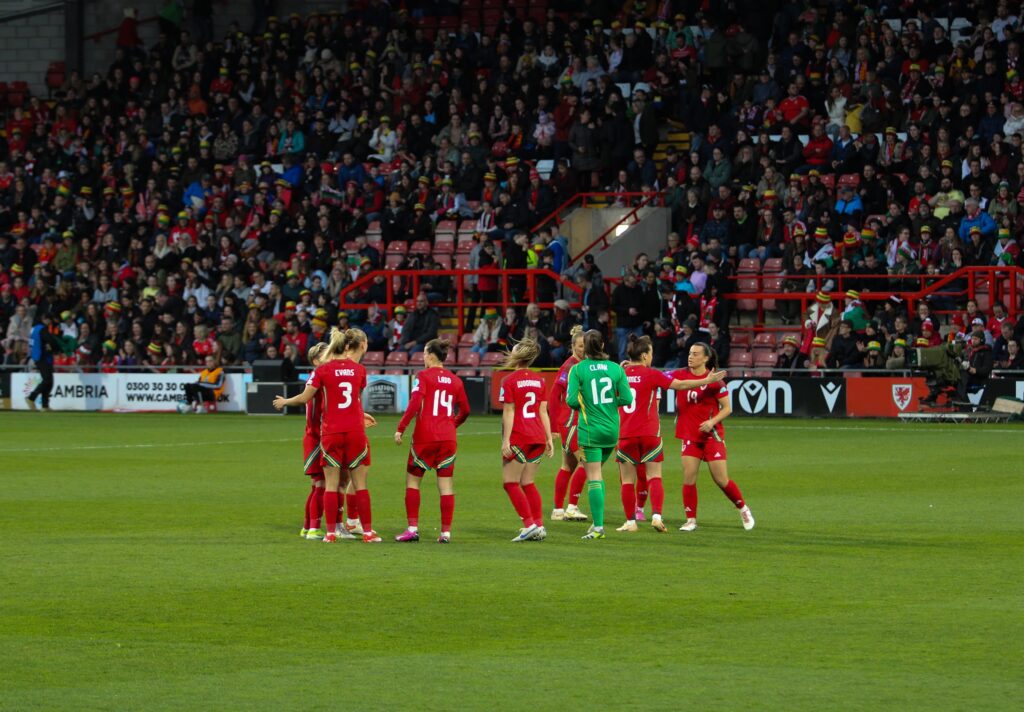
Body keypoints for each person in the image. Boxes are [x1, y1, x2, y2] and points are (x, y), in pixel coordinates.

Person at [273, 328, 380, 543]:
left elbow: (305, 398)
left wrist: (284, 401)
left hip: (330, 432)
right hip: (355, 431)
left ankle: (329, 533)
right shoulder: (359, 370)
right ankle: (367, 532)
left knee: (328, 485)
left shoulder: (323, 371)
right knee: (359, 484)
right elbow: (355, 400)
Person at [616, 335, 726, 533]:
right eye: (650, 353)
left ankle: (630, 522)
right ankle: (656, 516)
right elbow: (681, 384)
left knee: (627, 480)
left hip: (625, 433)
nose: (652, 357)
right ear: (643, 355)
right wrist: (705, 380)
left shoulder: (619, 373)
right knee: (654, 476)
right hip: (649, 433)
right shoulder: (651, 374)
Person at [670, 343, 754, 532]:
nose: (690, 357)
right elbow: (658, 377)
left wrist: (711, 422)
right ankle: (690, 520)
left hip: (711, 437)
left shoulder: (715, 381)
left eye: (695, 354)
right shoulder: (680, 374)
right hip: (690, 436)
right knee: (688, 478)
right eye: (690, 353)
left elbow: (727, 408)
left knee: (721, 479)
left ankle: (743, 508)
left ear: (706, 358)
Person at [394, 339, 470, 544]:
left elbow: (415, 403)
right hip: (447, 438)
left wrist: (401, 427)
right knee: (445, 485)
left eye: (424, 354)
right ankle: (446, 533)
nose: (423, 359)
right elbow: (466, 411)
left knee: (412, 481)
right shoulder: (456, 381)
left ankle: (412, 529)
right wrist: (452, 425)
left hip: (425, 437)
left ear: (429, 355)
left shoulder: (424, 376)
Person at [565, 329, 633, 540]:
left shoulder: (577, 370)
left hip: (590, 430)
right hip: (612, 431)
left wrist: (588, 404)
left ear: (584, 346)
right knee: (597, 475)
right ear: (603, 345)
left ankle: (598, 527)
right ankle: (596, 523)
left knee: (594, 476)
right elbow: (627, 398)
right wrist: (610, 402)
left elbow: (570, 400)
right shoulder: (615, 369)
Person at [499, 339, 555, 542]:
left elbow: (509, 411)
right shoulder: (539, 380)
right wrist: (549, 438)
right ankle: (539, 525)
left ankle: (529, 524)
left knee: (510, 483)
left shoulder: (509, 381)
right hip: (538, 436)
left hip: (520, 437)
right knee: (528, 482)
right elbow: (543, 411)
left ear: (517, 355)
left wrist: (506, 441)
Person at [548, 325, 589, 522]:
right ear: (573, 346)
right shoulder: (570, 366)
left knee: (568, 466)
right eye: (581, 346)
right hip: (571, 423)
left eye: (586, 346)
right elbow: (554, 396)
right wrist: (553, 427)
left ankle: (557, 509)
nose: (584, 349)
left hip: (575, 422)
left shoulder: (583, 365)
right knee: (588, 463)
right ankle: (572, 506)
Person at [299, 342, 331, 540]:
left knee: (317, 485)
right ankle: (314, 528)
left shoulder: (320, 377)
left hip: (316, 435)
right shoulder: (316, 377)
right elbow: (311, 412)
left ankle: (306, 526)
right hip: (316, 437)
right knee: (321, 484)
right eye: (326, 355)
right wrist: (316, 433)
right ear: (316, 360)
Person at [26, 312, 60, 410]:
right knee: (47, 380)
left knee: (49, 381)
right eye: (49, 320)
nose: (50, 323)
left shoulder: (34, 329)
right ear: (45, 319)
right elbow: (51, 340)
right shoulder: (43, 329)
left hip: (37, 356)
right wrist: (56, 349)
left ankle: (45, 405)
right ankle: (31, 397)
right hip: (42, 357)